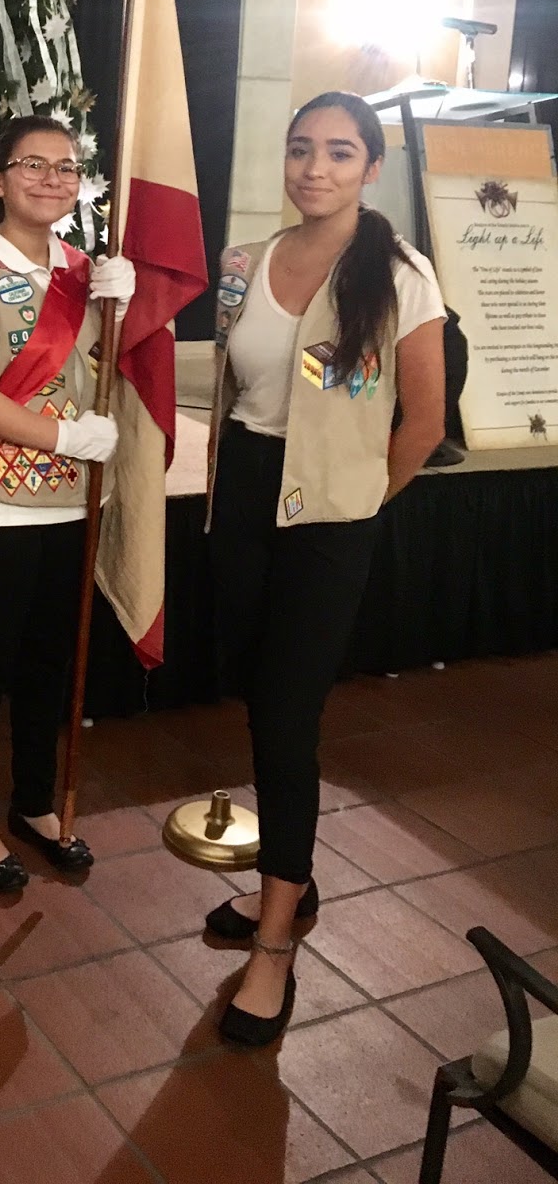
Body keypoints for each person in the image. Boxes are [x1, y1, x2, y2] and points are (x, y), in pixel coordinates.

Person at [205, 91, 446, 1045]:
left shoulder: (399, 274)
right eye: (301, 149)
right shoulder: (252, 262)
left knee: (289, 716)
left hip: (330, 514)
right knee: (259, 700)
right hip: (248, 501)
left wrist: (354, 510)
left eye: (339, 153)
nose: (315, 167)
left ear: (371, 168)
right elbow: (241, 388)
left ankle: (274, 944)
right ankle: (291, 883)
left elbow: (423, 422)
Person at [0, 116, 135, 891]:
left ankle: (32, 800)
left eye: (67, 168)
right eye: (33, 165)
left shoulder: (88, 271)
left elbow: (105, 376)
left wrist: (131, 311)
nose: (53, 180)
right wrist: (66, 440)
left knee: (49, 666)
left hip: (72, 505)